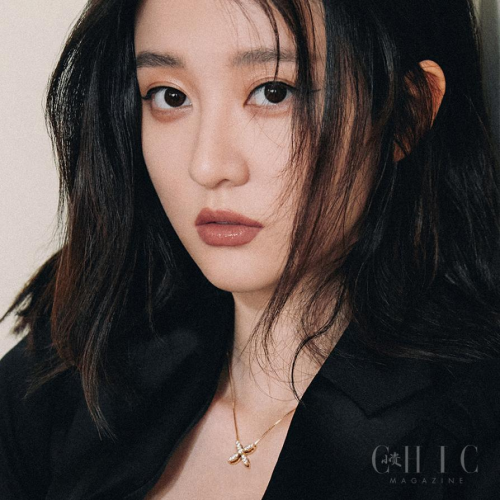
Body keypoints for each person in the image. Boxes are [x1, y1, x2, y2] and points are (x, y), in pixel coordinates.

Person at [1, 0, 500, 498]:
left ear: (406, 114)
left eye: (273, 92)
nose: (207, 165)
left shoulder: (468, 441)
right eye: (170, 96)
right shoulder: (73, 362)